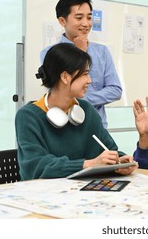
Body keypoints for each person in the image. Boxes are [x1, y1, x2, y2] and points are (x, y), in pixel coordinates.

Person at [16, 43, 136, 180]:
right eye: (85, 74)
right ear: (65, 77)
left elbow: (109, 149)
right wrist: (88, 164)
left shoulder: (86, 110)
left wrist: (120, 161)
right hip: (40, 195)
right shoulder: (28, 116)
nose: (89, 81)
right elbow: (36, 167)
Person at [40, 0, 122, 128]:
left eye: (89, 17)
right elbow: (61, 91)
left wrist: (85, 100)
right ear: (62, 21)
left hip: (97, 126)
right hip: (64, 127)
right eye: (79, 17)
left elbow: (115, 90)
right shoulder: (49, 54)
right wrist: (80, 53)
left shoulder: (102, 51)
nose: (86, 23)